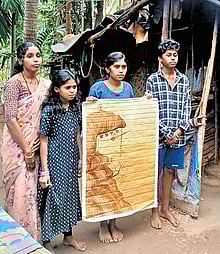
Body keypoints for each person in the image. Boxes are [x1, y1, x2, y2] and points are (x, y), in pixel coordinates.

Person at [146, 39, 203, 229]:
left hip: (177, 135)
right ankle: (154, 211)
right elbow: (152, 109)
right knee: (157, 173)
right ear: (160, 59)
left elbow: (187, 108)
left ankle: (165, 208)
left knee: (170, 171)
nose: (173, 58)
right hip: (158, 135)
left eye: (175, 55)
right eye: (169, 55)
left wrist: (178, 131)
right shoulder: (153, 80)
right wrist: (167, 132)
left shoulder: (183, 80)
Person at [0, 41, 50, 240]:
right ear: (20, 59)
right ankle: (18, 240)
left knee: (36, 193)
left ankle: (34, 238)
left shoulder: (45, 84)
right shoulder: (14, 84)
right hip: (17, 148)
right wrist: (27, 150)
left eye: (38, 55)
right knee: (20, 192)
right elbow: (10, 119)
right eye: (30, 55)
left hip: (40, 145)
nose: (35, 59)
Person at [86, 52, 134, 244]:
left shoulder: (128, 88)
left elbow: (130, 114)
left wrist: (146, 103)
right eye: (117, 67)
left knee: (117, 182)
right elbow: (91, 120)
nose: (121, 70)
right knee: (100, 183)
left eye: (123, 67)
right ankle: (102, 226)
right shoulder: (97, 88)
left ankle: (113, 224)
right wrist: (89, 103)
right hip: (100, 147)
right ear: (108, 69)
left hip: (118, 144)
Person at [38, 70, 86, 253]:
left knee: (70, 197)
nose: (72, 91)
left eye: (74, 87)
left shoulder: (76, 108)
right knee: (52, 198)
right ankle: (47, 242)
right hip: (54, 160)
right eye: (68, 87)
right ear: (57, 89)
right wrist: (45, 171)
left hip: (71, 159)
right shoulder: (50, 110)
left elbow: (81, 134)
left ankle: (68, 237)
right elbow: (44, 140)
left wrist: (80, 159)